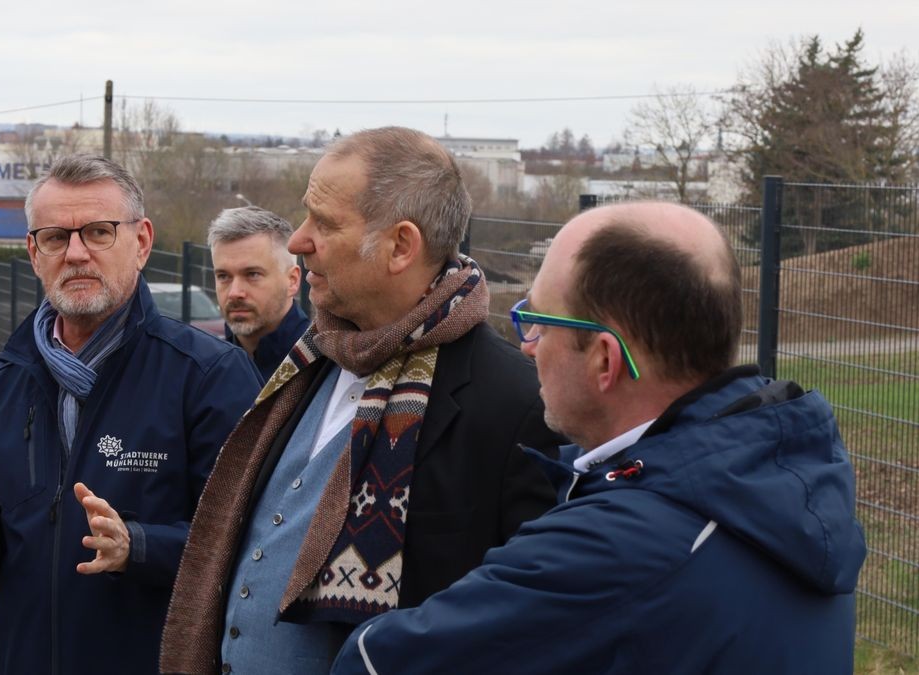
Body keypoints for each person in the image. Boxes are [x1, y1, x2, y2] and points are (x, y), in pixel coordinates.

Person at [331, 201, 867, 674]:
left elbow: (375, 662)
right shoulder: (785, 485)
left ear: (605, 360)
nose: (528, 346)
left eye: (538, 320)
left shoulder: (617, 548)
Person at [161, 127, 562, 674]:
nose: (298, 240)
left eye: (323, 223)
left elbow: (531, 632)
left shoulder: (517, 404)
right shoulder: (308, 363)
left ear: (401, 246)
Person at [0, 155, 261, 674]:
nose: (76, 253)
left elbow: (249, 546)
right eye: (56, 237)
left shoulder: (209, 377)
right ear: (34, 252)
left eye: (99, 232)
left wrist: (139, 546)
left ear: (142, 242)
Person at [208, 205, 309, 382]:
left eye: (252, 274)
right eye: (223, 276)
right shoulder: (204, 370)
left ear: (292, 280)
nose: (234, 293)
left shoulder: (323, 367)